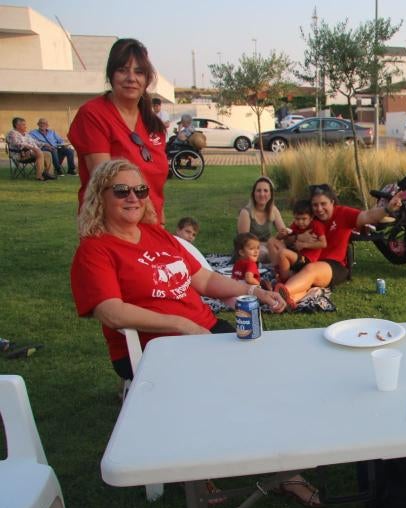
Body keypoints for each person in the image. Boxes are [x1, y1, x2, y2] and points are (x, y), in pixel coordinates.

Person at [70, 159, 285, 382]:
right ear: (100, 197)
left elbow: (205, 279)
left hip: (205, 329)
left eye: (140, 190)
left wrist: (252, 290)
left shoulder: (156, 234)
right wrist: (180, 324)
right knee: (235, 377)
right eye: (121, 191)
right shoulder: (94, 250)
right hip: (154, 345)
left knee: (264, 366)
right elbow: (111, 312)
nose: (133, 198)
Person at [68, 38, 169, 223]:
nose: (131, 78)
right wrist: (149, 215)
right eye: (122, 70)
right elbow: (104, 177)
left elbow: (156, 183)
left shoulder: (152, 124)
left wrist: (160, 222)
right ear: (111, 75)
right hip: (111, 226)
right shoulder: (93, 114)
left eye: (139, 72)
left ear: (146, 79)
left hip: (150, 224)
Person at [274, 184, 406, 308]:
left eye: (323, 204)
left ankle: (278, 295)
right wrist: (297, 238)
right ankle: (289, 299)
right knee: (291, 261)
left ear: (332, 202)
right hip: (307, 260)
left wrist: (387, 209)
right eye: (315, 205)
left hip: (333, 265)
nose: (319, 209)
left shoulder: (343, 213)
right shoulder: (309, 217)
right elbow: (289, 237)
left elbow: (369, 215)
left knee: (311, 270)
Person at [270, 199, 327, 282]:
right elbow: (286, 239)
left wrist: (305, 245)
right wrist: (282, 235)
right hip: (296, 255)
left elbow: (323, 243)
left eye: (304, 219)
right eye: (297, 219)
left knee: (283, 253)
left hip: (306, 259)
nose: (300, 222)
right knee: (272, 241)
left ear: (311, 217)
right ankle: (278, 272)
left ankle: (284, 279)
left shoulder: (316, 225)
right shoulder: (295, 225)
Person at [236, 176, 288, 262]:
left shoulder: (273, 210)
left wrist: (283, 234)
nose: (262, 194)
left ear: (270, 194)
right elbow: (243, 241)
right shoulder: (245, 213)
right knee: (268, 253)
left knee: (283, 248)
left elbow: (284, 231)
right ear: (254, 194)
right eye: (258, 191)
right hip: (250, 249)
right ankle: (279, 268)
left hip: (267, 246)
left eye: (265, 191)